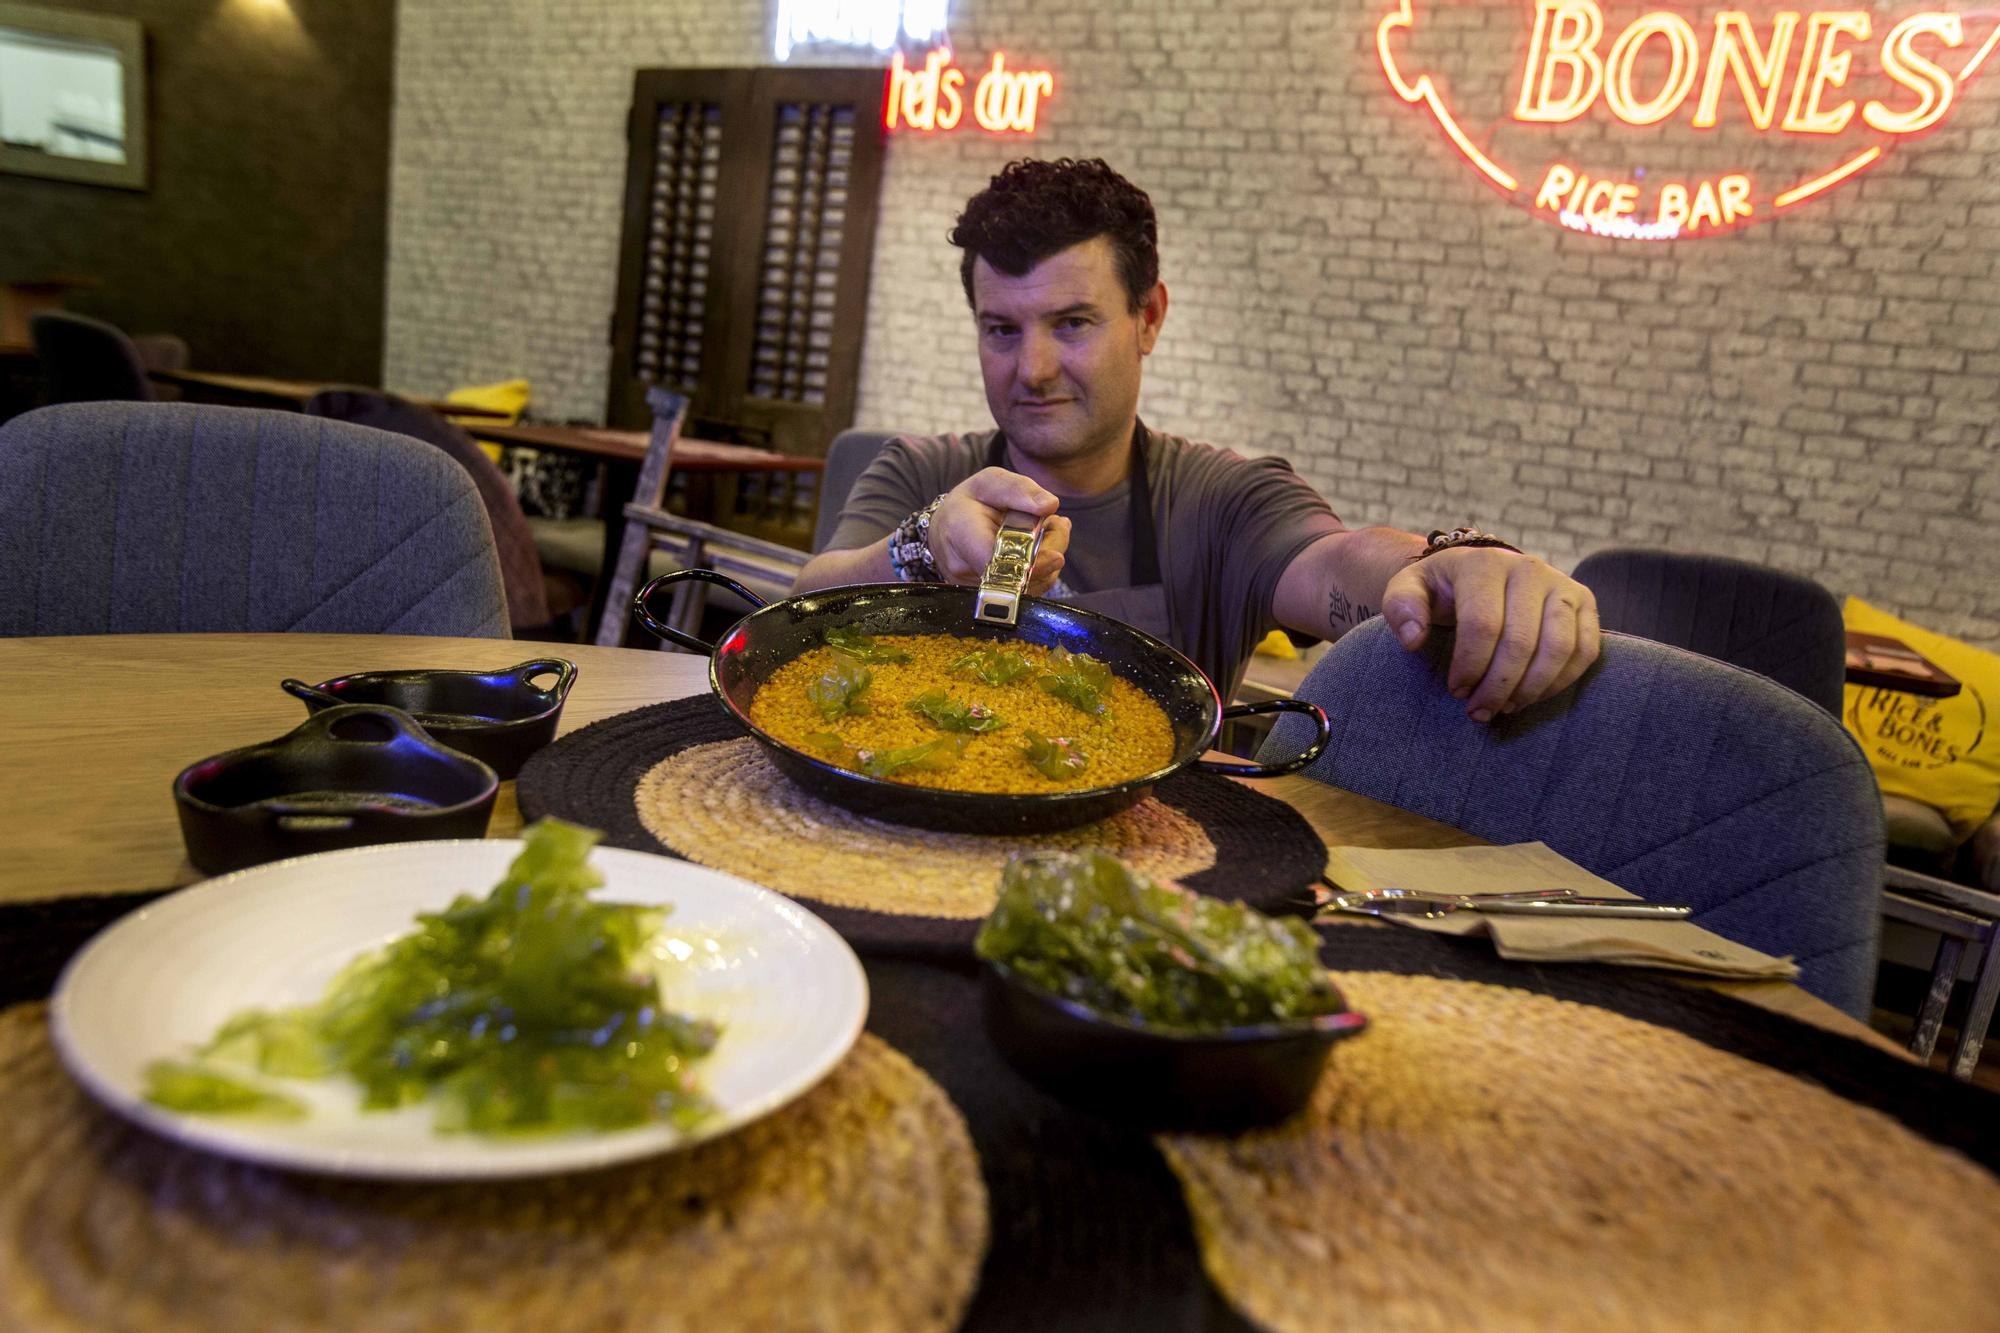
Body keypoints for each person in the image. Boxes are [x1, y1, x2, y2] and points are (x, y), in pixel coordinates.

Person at [795, 157, 1599, 718]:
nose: (1032, 367)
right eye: (1001, 329)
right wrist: (919, 548)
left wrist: (1454, 565)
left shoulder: (1222, 501)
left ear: (1148, 318)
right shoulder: (923, 471)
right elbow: (802, 612)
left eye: (1071, 323)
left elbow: (1340, 561)